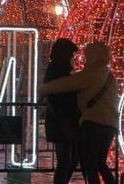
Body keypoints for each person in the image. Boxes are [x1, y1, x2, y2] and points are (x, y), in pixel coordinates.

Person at [41, 41, 118, 184]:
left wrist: (44, 89)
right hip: (109, 125)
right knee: (97, 163)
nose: (74, 57)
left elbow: (67, 84)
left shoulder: (90, 73)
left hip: (92, 124)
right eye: (71, 54)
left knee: (89, 164)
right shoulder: (109, 75)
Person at [44, 39, 81, 184]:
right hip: (61, 121)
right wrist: (63, 120)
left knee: (70, 159)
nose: (72, 56)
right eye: (70, 53)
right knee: (65, 160)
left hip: (65, 119)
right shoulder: (57, 69)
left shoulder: (62, 68)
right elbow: (55, 96)